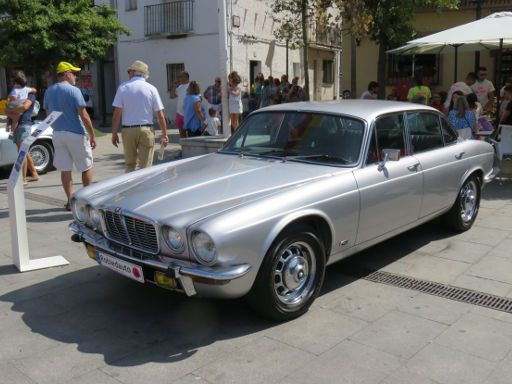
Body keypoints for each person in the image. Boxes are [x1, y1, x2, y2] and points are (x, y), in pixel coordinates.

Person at [43, 61, 96, 210]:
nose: (76, 77)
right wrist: (92, 135)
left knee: (65, 169)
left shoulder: (49, 90)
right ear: (66, 74)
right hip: (76, 133)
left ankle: (70, 200)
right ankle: (85, 201)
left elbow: (48, 114)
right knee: (86, 166)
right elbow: (84, 114)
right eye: (74, 73)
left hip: (58, 134)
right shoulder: (74, 91)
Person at [111, 60, 168, 173]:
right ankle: (144, 190)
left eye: (129, 71)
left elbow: (117, 114)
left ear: (133, 72)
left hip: (128, 130)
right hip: (146, 130)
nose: (128, 74)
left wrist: (114, 133)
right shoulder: (152, 88)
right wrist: (164, 134)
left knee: (130, 165)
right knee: (145, 167)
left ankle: (130, 189)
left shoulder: (123, 87)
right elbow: (160, 115)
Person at [8, 70, 39, 186]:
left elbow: (24, 107)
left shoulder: (27, 93)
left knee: (21, 152)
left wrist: (11, 109)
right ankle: (34, 174)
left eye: (12, 81)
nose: (11, 83)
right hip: (18, 123)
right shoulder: (27, 90)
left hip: (24, 123)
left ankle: (23, 179)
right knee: (24, 151)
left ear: (16, 81)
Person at [169, 71, 190, 138]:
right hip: (179, 113)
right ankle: (184, 147)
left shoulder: (191, 86)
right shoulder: (180, 87)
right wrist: (174, 86)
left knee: (189, 134)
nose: (178, 78)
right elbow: (172, 96)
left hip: (188, 113)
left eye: (180, 76)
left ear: (186, 77)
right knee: (182, 134)